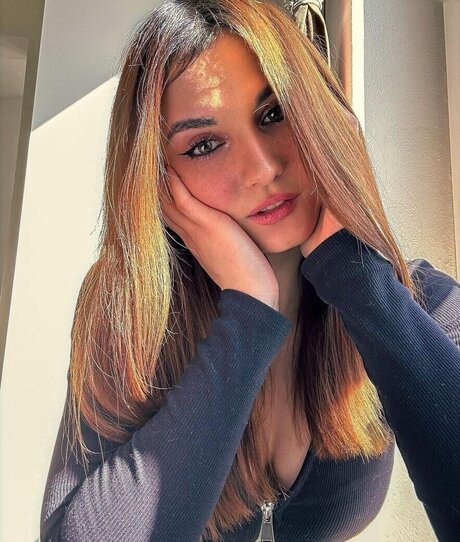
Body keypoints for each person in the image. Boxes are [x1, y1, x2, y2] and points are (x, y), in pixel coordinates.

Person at [39, 1, 460, 541]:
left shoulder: (414, 299)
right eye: (204, 145)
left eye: (274, 113)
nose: (263, 168)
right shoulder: (130, 313)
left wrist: (357, 277)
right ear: (160, 180)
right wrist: (248, 314)